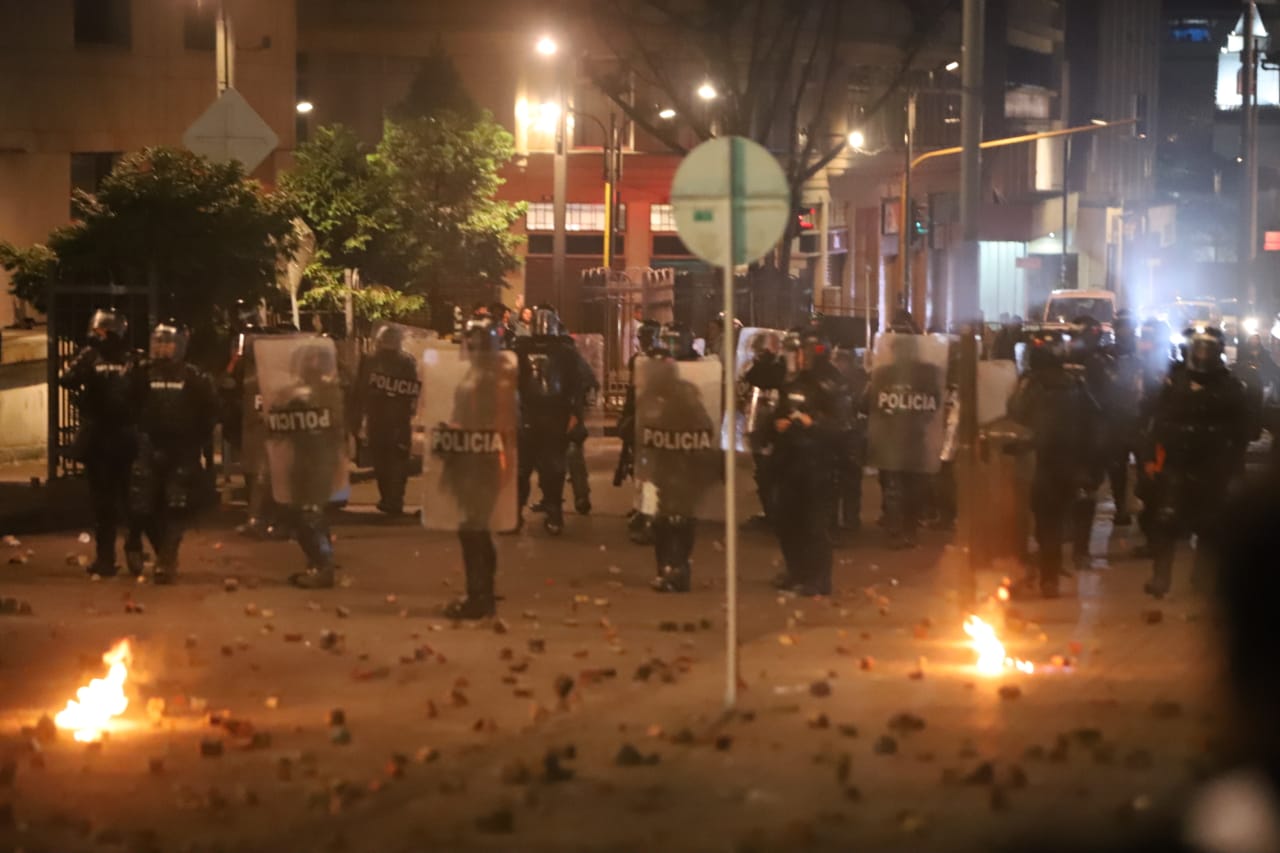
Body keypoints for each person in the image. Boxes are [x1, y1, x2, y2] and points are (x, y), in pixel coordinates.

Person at [1142, 326, 1250, 599]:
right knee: (1166, 520)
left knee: (1209, 525)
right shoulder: (1174, 381)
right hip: (1176, 462)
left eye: (1207, 347)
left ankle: (1201, 579)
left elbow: (1242, 431)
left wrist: (1234, 469)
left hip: (1212, 466)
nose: (1201, 353)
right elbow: (1153, 420)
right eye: (1197, 346)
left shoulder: (1230, 386)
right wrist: (1149, 457)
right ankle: (1160, 577)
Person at [1008, 329, 1101, 598]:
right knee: (1057, 520)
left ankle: (1047, 575)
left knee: (1045, 522)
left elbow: (1015, 412)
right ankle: (1051, 572)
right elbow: (1094, 419)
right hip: (1070, 463)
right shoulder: (1075, 384)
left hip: (1042, 463)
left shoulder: (1032, 385)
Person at [436, 317, 519, 618]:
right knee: (477, 527)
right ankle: (483, 591)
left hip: (483, 460)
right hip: (472, 458)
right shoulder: (480, 375)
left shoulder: (494, 379)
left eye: (475, 344)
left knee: (473, 527)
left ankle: (480, 596)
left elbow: (503, 421)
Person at [126, 321, 218, 583]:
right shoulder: (141, 374)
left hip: (182, 449)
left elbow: (210, 413)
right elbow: (127, 405)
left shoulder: (195, 377)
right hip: (147, 446)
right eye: (159, 342)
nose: (162, 348)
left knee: (176, 505)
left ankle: (167, 559)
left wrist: (196, 444)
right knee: (142, 505)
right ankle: (136, 544)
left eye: (168, 343)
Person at [259, 338, 348, 589]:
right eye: (308, 360)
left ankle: (323, 566)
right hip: (300, 458)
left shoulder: (330, 390)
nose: (312, 365)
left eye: (316, 360)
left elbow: (334, 423)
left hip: (320, 458)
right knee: (302, 512)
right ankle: (318, 561)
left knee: (310, 512)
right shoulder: (295, 392)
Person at [59, 309, 142, 577]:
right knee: (105, 503)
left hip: (121, 438)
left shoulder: (133, 360)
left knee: (128, 500)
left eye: (101, 331)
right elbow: (67, 379)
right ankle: (107, 558)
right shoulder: (95, 357)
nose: (97, 336)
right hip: (102, 439)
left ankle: (132, 547)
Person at [634, 338, 719, 592]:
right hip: (661, 467)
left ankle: (679, 570)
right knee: (661, 522)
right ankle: (666, 569)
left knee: (678, 520)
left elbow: (704, 429)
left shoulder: (684, 395)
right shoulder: (648, 396)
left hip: (683, 468)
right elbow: (639, 429)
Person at [769, 326, 843, 596]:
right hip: (790, 460)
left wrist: (814, 423)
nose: (797, 357)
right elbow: (780, 409)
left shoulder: (831, 384)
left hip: (817, 463)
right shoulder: (793, 383)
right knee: (787, 519)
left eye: (801, 351)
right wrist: (775, 424)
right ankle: (796, 570)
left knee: (814, 523)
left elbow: (841, 426)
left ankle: (818, 578)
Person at [513, 306, 581, 535]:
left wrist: (575, 414)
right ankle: (519, 514)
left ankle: (551, 512)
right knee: (525, 468)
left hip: (551, 413)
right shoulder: (521, 348)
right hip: (534, 412)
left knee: (549, 467)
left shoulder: (563, 351)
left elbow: (575, 384)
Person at [352, 324, 421, 516]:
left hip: (381, 419)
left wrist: (357, 419)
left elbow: (360, 391)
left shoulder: (372, 361)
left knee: (384, 460)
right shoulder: (405, 361)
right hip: (395, 419)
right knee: (394, 459)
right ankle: (393, 498)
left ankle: (391, 498)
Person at [1064, 315, 1113, 570]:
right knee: (1076, 496)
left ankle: (1077, 549)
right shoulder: (1090, 363)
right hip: (1074, 438)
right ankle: (1073, 550)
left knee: (1082, 495)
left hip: (1082, 439)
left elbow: (1105, 403)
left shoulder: (1095, 364)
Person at [617, 320, 661, 543]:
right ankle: (641, 509)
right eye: (642, 338)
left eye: (649, 338)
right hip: (640, 417)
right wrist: (627, 416)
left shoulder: (663, 361)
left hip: (657, 421)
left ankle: (650, 518)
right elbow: (633, 393)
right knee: (639, 468)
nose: (645, 342)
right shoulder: (638, 360)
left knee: (651, 473)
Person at [741, 331, 787, 529]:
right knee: (764, 472)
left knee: (770, 472)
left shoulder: (778, 368)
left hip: (772, 425)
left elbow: (758, 377)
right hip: (760, 422)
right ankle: (773, 513)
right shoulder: (767, 367)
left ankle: (775, 515)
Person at [1107, 315, 1143, 526]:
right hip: (1118, 420)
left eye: (1126, 329)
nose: (1123, 333)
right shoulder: (1109, 354)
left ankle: (1141, 507)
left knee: (1143, 468)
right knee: (1117, 469)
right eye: (1120, 329)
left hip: (1136, 419)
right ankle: (1122, 509)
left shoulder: (1142, 353)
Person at [831, 347, 869, 536]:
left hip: (849, 434)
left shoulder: (853, 379)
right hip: (847, 434)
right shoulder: (858, 378)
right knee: (848, 480)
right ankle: (849, 520)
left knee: (848, 480)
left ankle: (849, 520)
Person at [563, 329, 599, 516]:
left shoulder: (573, 360)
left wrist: (578, 408)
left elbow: (589, 381)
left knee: (573, 451)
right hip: (544, 414)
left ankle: (581, 496)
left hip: (568, 414)